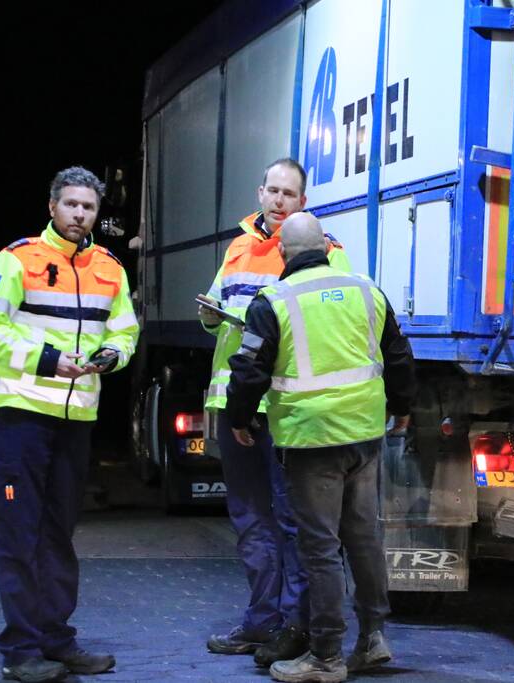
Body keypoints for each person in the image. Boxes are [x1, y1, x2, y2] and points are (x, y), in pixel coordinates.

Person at [226, 212, 415, 683]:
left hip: (312, 441)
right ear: (328, 247)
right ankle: (373, 638)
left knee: (321, 547)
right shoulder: (368, 291)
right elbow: (399, 354)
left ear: (285, 254)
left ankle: (326, 655)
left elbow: (249, 370)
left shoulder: (274, 300)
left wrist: (240, 418)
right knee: (364, 538)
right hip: (365, 437)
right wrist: (403, 406)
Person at [0, 166, 139, 683]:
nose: (79, 214)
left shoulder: (110, 266)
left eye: (87, 207)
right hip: (22, 418)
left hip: (75, 423)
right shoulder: (18, 259)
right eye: (70, 204)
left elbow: (126, 327)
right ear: (52, 207)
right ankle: (21, 649)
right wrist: (45, 360)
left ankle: (55, 640)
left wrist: (112, 354)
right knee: (20, 536)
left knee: (59, 536)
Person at [200, 158, 352, 667]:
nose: (280, 200)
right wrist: (208, 316)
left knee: (292, 522)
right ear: (260, 191)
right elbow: (219, 316)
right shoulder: (238, 247)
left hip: (287, 408)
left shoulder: (327, 254)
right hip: (234, 400)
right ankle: (261, 621)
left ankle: (295, 625)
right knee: (250, 520)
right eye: (273, 191)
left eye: (290, 194)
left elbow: (340, 319)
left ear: (303, 202)